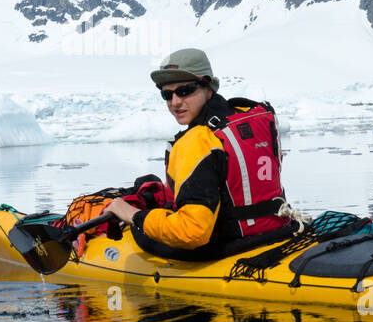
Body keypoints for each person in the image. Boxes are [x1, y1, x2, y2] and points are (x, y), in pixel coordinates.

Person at [103, 48, 290, 259]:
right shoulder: (246, 118)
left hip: (229, 243)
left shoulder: (197, 141)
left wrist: (132, 215)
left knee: (140, 231)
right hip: (277, 229)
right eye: (167, 94)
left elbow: (192, 233)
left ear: (208, 87)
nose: (175, 102)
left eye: (185, 91)